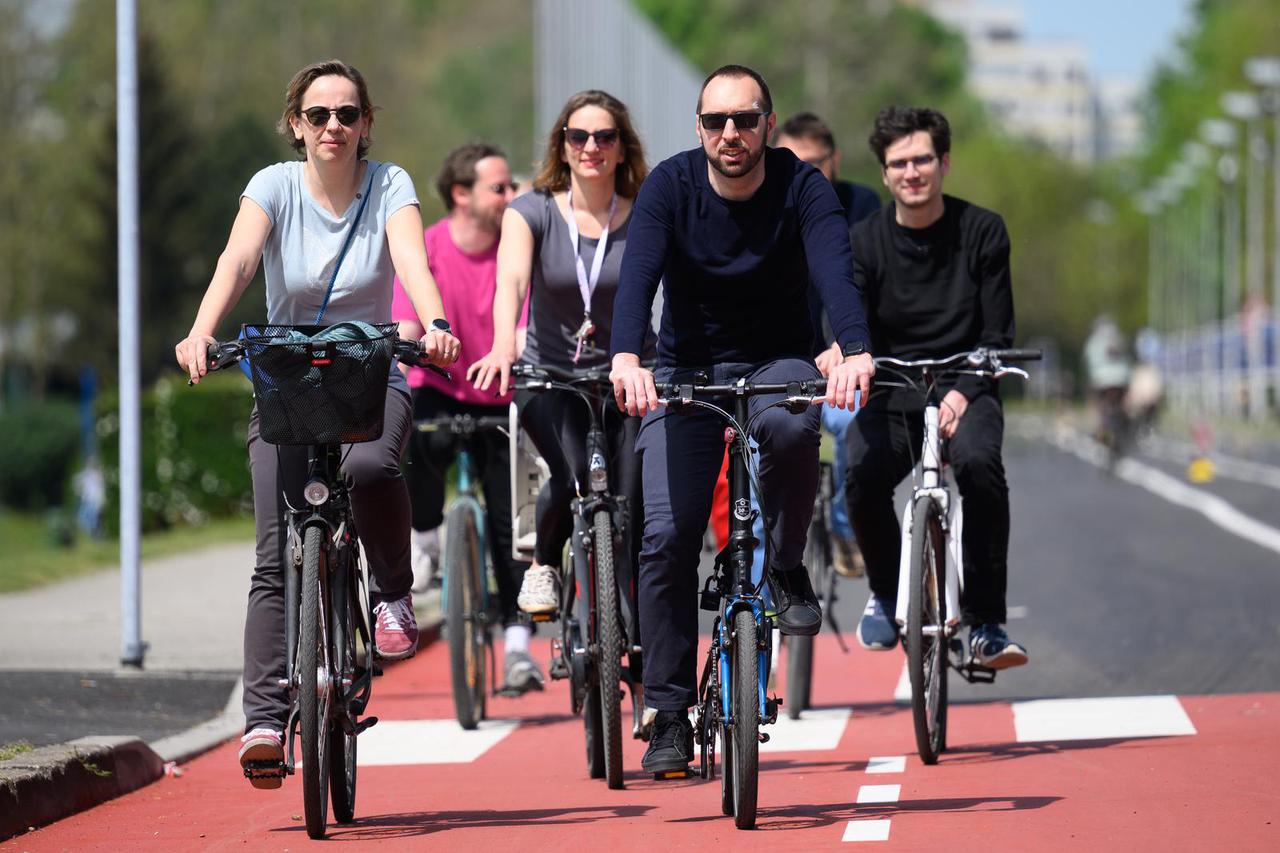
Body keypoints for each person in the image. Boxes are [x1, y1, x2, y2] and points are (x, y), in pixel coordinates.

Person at [173, 59, 459, 787]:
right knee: (275, 554)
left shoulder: (389, 183)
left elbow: (411, 259)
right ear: (296, 124)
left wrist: (432, 320)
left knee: (368, 467)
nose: (334, 127)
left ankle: (393, 589)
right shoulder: (272, 185)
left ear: (367, 124)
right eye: (319, 114)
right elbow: (238, 259)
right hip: (290, 378)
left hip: (370, 367)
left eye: (348, 114)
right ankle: (265, 720)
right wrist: (203, 329)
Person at [609, 65, 874, 774]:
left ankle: (786, 566)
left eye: (746, 120)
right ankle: (667, 710)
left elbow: (834, 272)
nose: (732, 133)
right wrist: (627, 356)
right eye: (717, 121)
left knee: (792, 424)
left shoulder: (802, 187)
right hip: (684, 371)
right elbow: (638, 278)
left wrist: (855, 350)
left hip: (776, 364)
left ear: (768, 125)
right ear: (699, 129)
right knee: (666, 535)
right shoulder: (670, 185)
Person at [845, 106, 1027, 670]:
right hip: (894, 389)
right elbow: (850, 324)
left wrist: (961, 392)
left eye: (923, 158)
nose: (912, 172)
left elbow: (998, 334)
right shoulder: (863, 242)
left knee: (979, 467)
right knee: (860, 475)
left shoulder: (983, 231)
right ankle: (883, 591)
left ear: (944, 162)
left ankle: (987, 624)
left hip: (966, 386)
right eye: (898, 163)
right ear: (884, 173)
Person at [468, 90, 654, 636]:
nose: (591, 147)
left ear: (622, 148)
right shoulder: (532, 212)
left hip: (632, 375)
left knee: (636, 497)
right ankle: (545, 564)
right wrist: (504, 344)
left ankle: (645, 645)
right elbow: (512, 281)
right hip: (551, 374)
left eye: (604, 137)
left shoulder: (645, 210)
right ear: (563, 147)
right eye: (579, 137)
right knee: (573, 474)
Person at [391, 142, 542, 693]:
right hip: (443, 386)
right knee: (414, 439)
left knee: (511, 521)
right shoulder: (427, 247)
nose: (512, 195)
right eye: (499, 187)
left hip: (503, 391)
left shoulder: (517, 248)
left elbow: (526, 318)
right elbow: (406, 320)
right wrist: (406, 343)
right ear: (461, 194)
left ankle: (520, 647)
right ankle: (427, 538)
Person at [774, 111, 882, 579]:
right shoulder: (766, 207)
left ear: (835, 159)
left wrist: (849, 343)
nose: (804, 175)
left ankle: (844, 525)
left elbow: (867, 283)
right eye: (792, 163)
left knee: (850, 421)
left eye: (815, 164)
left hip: (844, 354)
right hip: (785, 357)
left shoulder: (862, 206)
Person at [1084, 314, 1133, 444]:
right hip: (1122, 379)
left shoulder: (1093, 342)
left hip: (1101, 380)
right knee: (1125, 401)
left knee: (1095, 401)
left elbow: (1089, 363)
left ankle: (1098, 428)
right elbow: (1129, 359)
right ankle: (1128, 419)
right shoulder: (1120, 339)